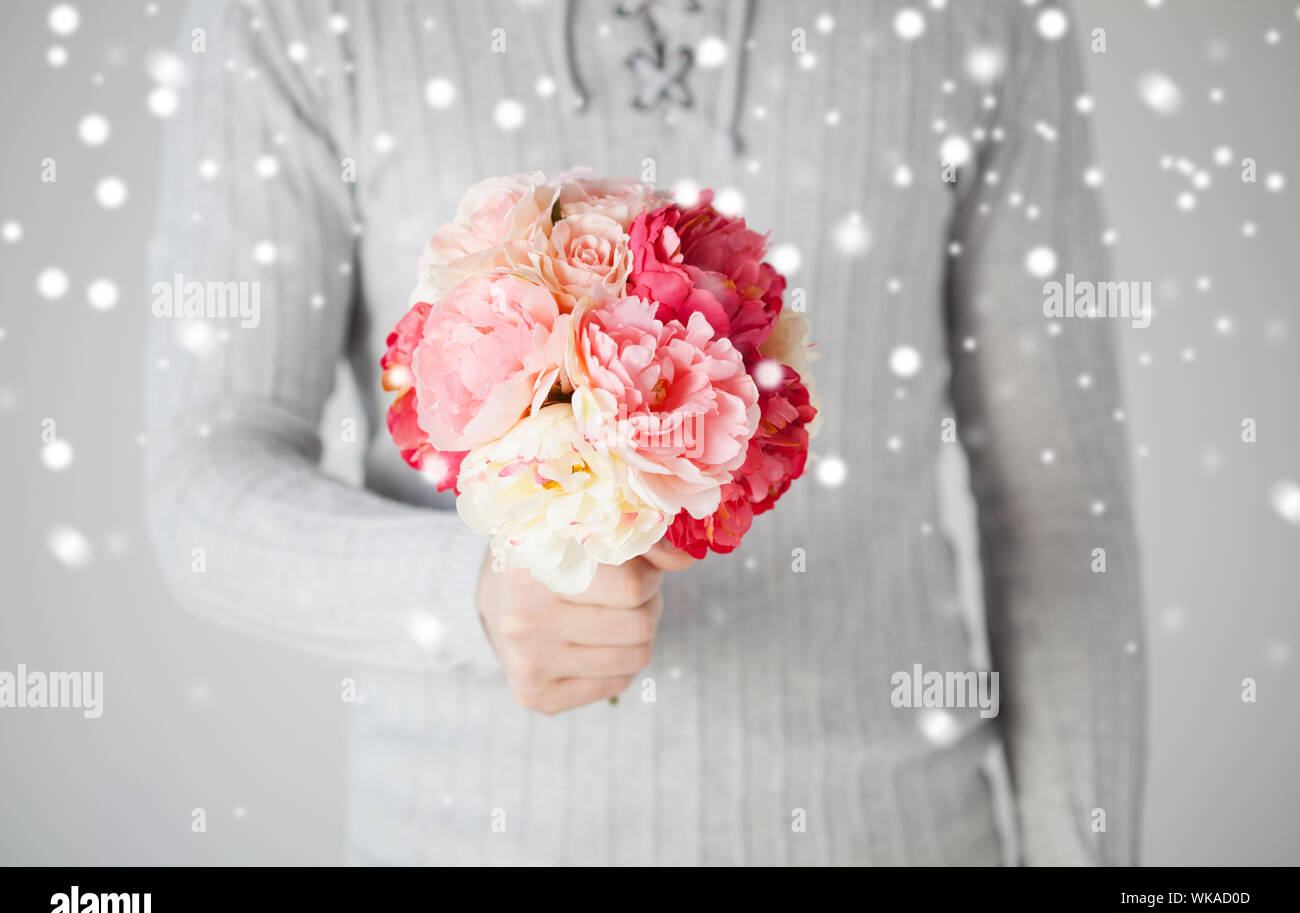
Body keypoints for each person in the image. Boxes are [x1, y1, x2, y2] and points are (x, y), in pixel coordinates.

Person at [146, 0, 1146, 865]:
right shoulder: (292, 19)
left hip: (901, 831)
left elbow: (1063, 507)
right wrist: (466, 594)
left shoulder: (974, 20)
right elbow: (206, 467)